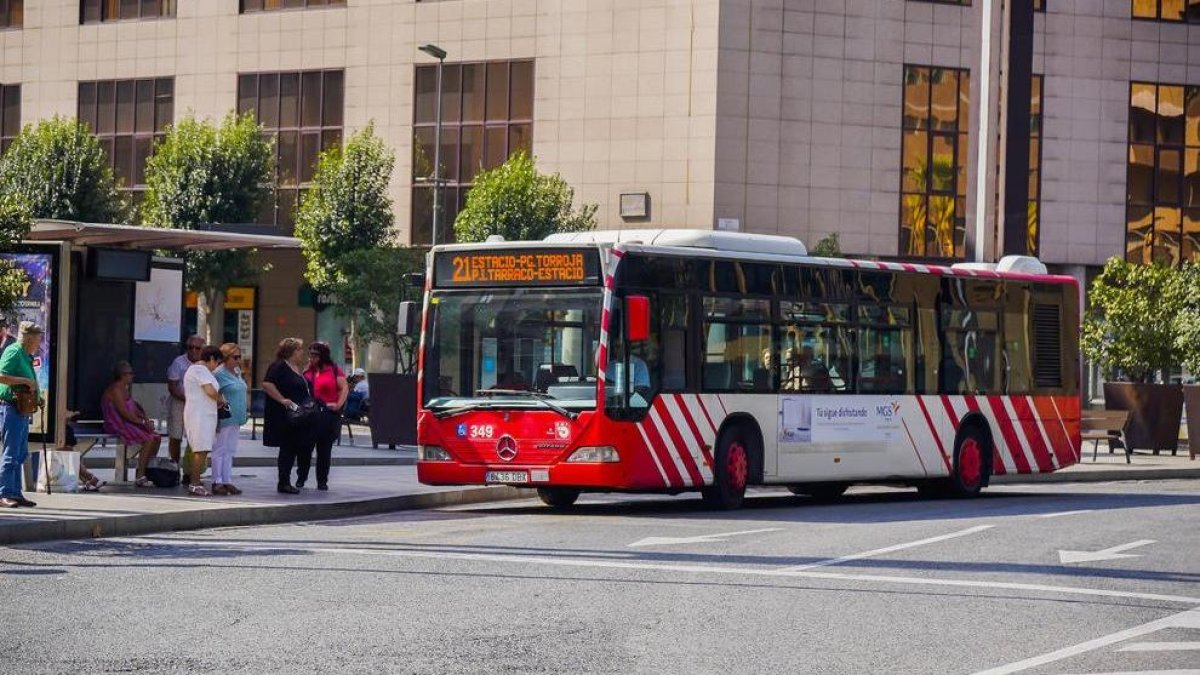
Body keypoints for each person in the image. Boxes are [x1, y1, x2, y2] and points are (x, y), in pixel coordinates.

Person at [0, 322, 43, 508]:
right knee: (11, 453)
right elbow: (1, 375)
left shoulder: (25, 354)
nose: (39, 342)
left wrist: (38, 397)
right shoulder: (14, 351)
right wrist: (25, 380)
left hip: (22, 408)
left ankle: (15, 493)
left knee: (20, 453)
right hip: (11, 407)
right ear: (29, 338)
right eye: (38, 338)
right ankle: (3, 493)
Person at [261, 338, 312, 494]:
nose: (302, 352)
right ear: (292, 351)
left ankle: (287, 480)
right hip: (285, 415)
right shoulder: (279, 366)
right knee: (287, 448)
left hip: (298, 415)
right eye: (300, 349)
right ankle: (284, 482)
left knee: (295, 447)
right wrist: (282, 399)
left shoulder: (296, 367)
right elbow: (267, 384)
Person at [101, 361, 163, 487]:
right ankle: (140, 475)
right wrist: (142, 423)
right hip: (118, 424)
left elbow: (134, 408)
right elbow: (124, 413)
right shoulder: (115, 389)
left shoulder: (125, 388)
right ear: (123, 375)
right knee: (149, 439)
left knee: (157, 437)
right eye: (130, 373)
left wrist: (145, 419)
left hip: (129, 422)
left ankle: (146, 469)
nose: (132, 376)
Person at [302, 341, 347, 491]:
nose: (312, 358)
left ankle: (322, 481)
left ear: (323, 356)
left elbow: (344, 388)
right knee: (305, 448)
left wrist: (338, 405)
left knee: (324, 450)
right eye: (310, 354)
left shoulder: (333, 370)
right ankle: (301, 477)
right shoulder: (308, 371)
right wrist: (305, 370)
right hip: (310, 414)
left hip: (328, 415)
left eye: (315, 355)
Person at [182, 346, 225, 497]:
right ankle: (194, 483)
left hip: (205, 414)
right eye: (217, 362)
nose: (217, 367)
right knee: (200, 449)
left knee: (203, 449)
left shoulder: (203, 371)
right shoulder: (199, 370)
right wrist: (222, 400)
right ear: (211, 358)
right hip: (199, 415)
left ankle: (196, 482)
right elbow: (210, 391)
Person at [212, 343, 248, 496]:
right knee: (220, 449)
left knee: (230, 450)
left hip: (236, 417)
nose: (238, 360)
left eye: (240, 357)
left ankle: (227, 480)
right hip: (225, 417)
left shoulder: (237, 371)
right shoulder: (218, 374)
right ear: (225, 358)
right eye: (235, 357)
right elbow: (214, 395)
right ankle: (217, 481)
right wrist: (217, 419)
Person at [166, 335, 204, 463]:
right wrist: (187, 399)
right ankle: (174, 466)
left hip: (198, 405)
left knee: (194, 438)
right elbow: (172, 387)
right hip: (179, 401)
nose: (193, 350)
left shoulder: (205, 364)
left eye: (197, 348)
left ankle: (190, 471)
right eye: (190, 347)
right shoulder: (178, 362)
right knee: (176, 435)